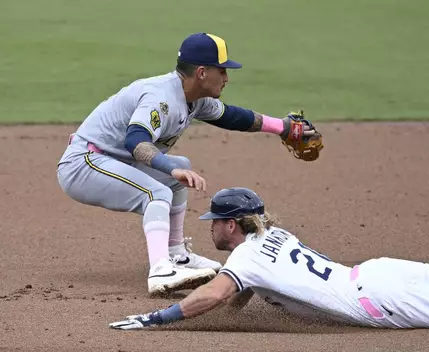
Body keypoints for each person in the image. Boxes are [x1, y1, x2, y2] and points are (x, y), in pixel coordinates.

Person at [109, 189, 429, 330]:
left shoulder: (244, 263)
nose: (213, 230)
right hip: (377, 271)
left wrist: (160, 317)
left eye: (215, 223)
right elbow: (235, 295)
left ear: (231, 224)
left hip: (376, 300)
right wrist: (214, 280)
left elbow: (221, 295)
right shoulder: (272, 235)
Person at [56, 33, 318, 296]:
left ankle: (176, 254)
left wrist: (281, 127)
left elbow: (232, 116)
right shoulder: (161, 98)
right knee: (158, 190)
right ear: (202, 72)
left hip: (112, 160)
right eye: (222, 70)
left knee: (180, 165)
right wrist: (170, 168)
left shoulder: (194, 98)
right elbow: (136, 141)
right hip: (85, 163)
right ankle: (160, 270)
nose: (226, 78)